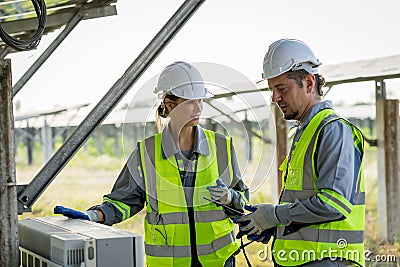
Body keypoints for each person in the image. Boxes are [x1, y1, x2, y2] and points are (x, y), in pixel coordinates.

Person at [55, 61, 249, 267]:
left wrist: (230, 198)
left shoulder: (221, 146)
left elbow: (242, 200)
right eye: (191, 101)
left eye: (201, 100)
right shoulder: (146, 153)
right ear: (170, 104)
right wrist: (93, 215)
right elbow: (125, 201)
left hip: (218, 260)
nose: (199, 107)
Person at [235, 39, 365, 266]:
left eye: (281, 89)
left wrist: (275, 215)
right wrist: (277, 226)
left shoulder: (332, 129)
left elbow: (333, 204)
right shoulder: (306, 132)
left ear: (308, 82)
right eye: (271, 90)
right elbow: (305, 206)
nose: (274, 98)